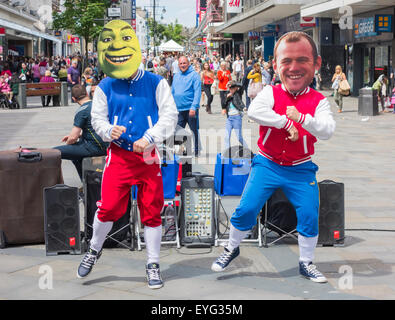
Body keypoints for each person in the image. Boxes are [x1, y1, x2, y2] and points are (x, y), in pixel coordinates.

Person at [211, 31, 336, 284]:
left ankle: (306, 263)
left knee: (310, 213)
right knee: (247, 207)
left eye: (302, 60)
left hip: (301, 168)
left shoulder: (319, 101)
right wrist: (284, 122)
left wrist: (301, 119)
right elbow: (255, 111)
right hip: (267, 163)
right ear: (276, 66)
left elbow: (327, 131)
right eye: (286, 62)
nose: (294, 68)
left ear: (316, 64)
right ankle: (231, 248)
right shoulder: (271, 91)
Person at [77, 20, 178, 290]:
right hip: (119, 155)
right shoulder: (105, 86)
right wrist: (110, 129)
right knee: (108, 206)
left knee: (152, 210)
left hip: (148, 156)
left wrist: (150, 137)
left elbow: (170, 114)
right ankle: (93, 249)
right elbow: (97, 119)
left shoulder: (156, 83)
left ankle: (153, 264)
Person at [54, 84, 108, 181]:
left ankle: (84, 183)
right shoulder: (98, 105)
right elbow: (94, 128)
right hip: (107, 145)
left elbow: (73, 137)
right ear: (87, 93)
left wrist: (69, 144)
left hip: (94, 148)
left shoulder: (82, 110)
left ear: (74, 99)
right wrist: (80, 135)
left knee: (55, 152)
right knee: (76, 157)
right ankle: (87, 183)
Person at [172, 55, 201, 157]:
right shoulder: (176, 76)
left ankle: (197, 150)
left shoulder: (194, 75)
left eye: (184, 63)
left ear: (188, 64)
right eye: (180, 63)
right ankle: (180, 149)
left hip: (190, 109)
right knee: (177, 131)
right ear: (178, 64)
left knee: (194, 130)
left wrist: (194, 107)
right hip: (179, 109)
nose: (182, 65)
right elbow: (173, 91)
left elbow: (197, 92)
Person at [222, 81, 249, 151]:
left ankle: (248, 150)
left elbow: (242, 86)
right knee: (226, 137)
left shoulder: (238, 93)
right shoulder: (227, 94)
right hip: (229, 118)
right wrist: (227, 98)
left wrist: (234, 84)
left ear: (236, 88)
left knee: (239, 137)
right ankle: (227, 153)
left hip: (237, 117)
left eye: (233, 88)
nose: (231, 89)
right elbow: (223, 104)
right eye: (230, 88)